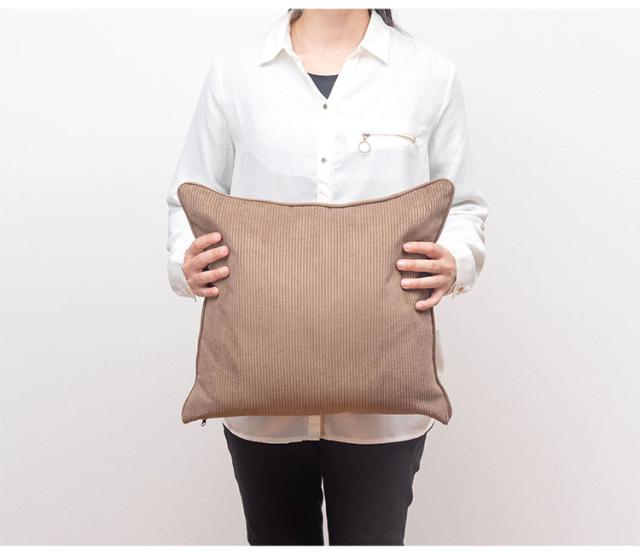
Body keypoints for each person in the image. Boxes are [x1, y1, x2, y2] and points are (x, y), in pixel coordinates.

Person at [166, 8, 488, 546]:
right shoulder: (235, 73)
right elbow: (187, 197)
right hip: (261, 391)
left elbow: (464, 206)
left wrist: (456, 258)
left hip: (385, 398)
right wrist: (186, 259)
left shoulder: (429, 74)